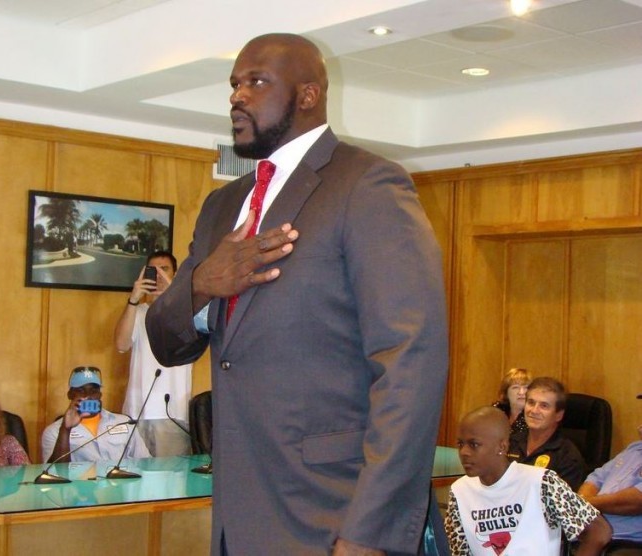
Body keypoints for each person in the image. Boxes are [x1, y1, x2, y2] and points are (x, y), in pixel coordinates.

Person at [145, 33, 448, 556]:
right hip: (239, 516)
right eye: (234, 84)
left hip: (333, 514)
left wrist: (370, 531)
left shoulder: (367, 185)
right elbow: (165, 342)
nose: (237, 96)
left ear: (308, 95)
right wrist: (201, 283)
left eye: (256, 82)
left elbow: (410, 365)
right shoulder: (223, 206)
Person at [445, 406, 611, 555]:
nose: (464, 452)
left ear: (501, 447)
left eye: (474, 444)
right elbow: (458, 550)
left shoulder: (542, 482)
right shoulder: (460, 491)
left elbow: (599, 531)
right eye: (460, 444)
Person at [114, 250, 192, 456]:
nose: (158, 276)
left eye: (164, 270)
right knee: (133, 476)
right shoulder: (138, 312)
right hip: (136, 411)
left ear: (175, 275)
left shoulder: (186, 310)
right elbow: (121, 344)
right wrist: (133, 299)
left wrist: (173, 291)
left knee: (171, 475)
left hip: (172, 413)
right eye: (153, 270)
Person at [41, 366, 150, 463]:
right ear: (70, 395)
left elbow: (146, 463)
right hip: (81, 480)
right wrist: (65, 429)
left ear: (100, 394)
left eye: (93, 391)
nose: (88, 396)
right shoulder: (54, 431)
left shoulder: (125, 422)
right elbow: (54, 472)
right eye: (81, 391)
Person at [577, 394, 642, 553]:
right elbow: (596, 478)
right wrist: (584, 502)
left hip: (624, 542)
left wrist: (583, 504)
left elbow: (637, 501)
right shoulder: (634, 448)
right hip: (587, 528)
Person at [507, 376, 586, 490]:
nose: (534, 411)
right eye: (531, 403)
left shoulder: (568, 458)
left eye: (544, 406)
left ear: (558, 415)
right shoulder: (509, 442)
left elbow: (561, 500)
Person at [492, 368, 532, 434]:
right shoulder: (496, 413)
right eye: (515, 387)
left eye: (526, 387)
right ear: (506, 392)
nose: (521, 392)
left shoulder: (534, 417)